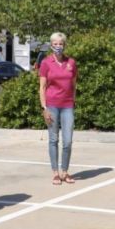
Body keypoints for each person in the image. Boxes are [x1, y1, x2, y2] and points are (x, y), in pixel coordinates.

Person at [39, 32, 78, 185]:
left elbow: (74, 85)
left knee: (67, 141)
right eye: (55, 44)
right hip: (52, 105)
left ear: (64, 45)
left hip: (68, 106)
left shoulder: (71, 63)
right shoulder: (46, 63)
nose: (58, 46)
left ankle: (65, 171)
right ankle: (55, 173)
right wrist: (44, 108)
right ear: (51, 45)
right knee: (53, 139)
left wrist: (72, 101)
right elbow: (42, 88)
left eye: (60, 44)